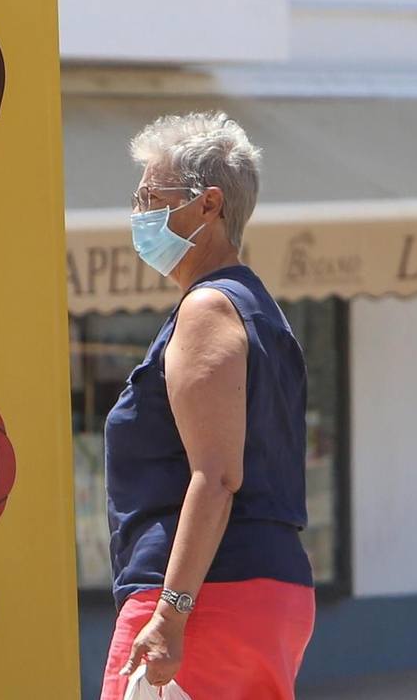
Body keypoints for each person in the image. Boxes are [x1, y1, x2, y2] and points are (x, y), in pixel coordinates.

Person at [101, 112, 315, 699]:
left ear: (208, 205)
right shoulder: (258, 311)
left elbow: (216, 476)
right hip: (261, 589)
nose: (139, 211)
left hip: (203, 596)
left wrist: (170, 615)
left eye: (151, 195)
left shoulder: (208, 309)